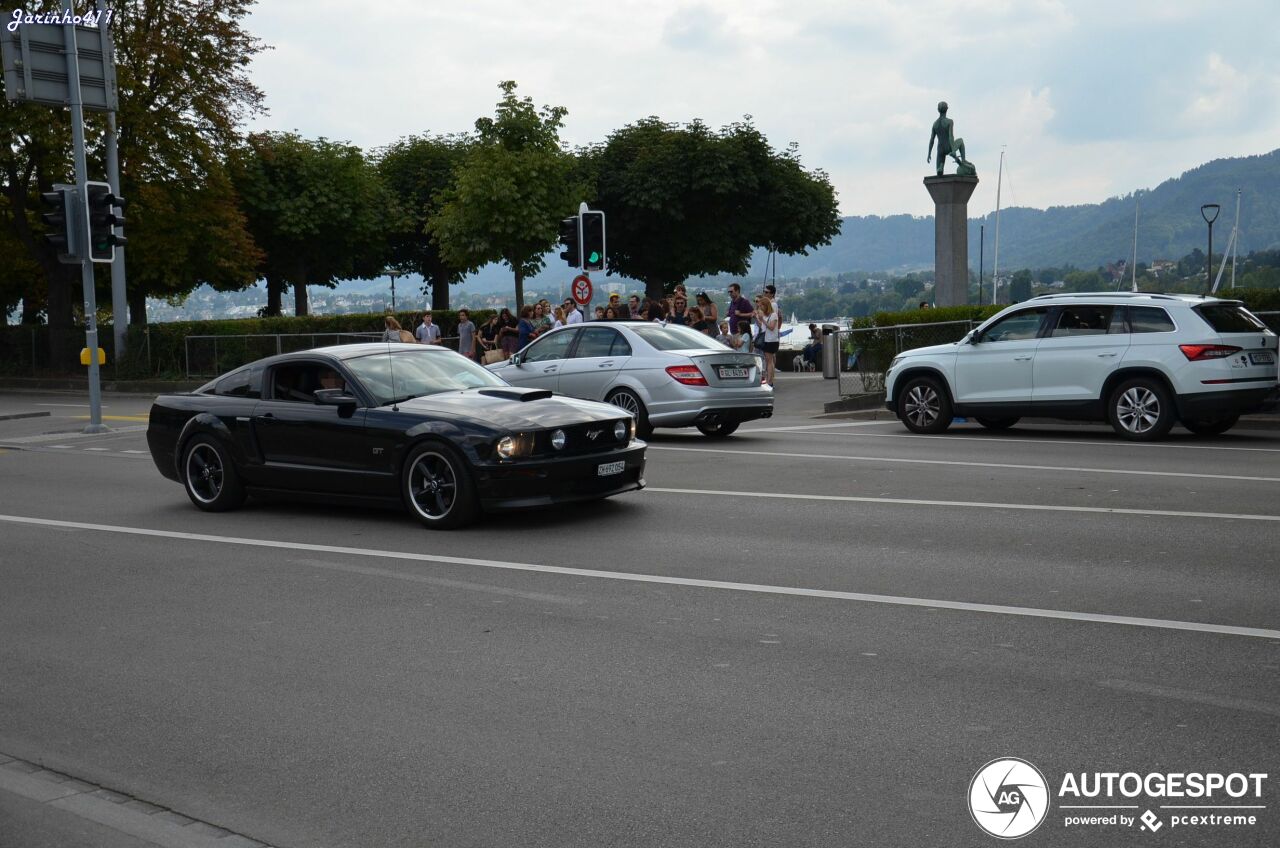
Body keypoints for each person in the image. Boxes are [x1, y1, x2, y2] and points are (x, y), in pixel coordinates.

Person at [756, 296, 779, 386]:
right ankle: (770, 379)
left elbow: (771, 327)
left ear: (766, 306)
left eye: (762, 306)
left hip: (771, 340)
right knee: (769, 361)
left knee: (769, 361)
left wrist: (763, 320)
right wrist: (758, 319)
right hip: (767, 340)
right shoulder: (765, 316)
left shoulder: (773, 315)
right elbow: (762, 327)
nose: (760, 307)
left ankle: (770, 381)